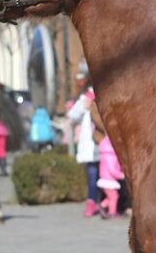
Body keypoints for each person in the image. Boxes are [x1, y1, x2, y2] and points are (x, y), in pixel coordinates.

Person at [66, 65, 102, 217]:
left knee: (103, 175)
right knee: (93, 174)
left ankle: (102, 202)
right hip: (92, 143)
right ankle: (93, 202)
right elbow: (72, 115)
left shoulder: (105, 93)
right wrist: (84, 105)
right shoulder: (86, 97)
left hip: (104, 143)